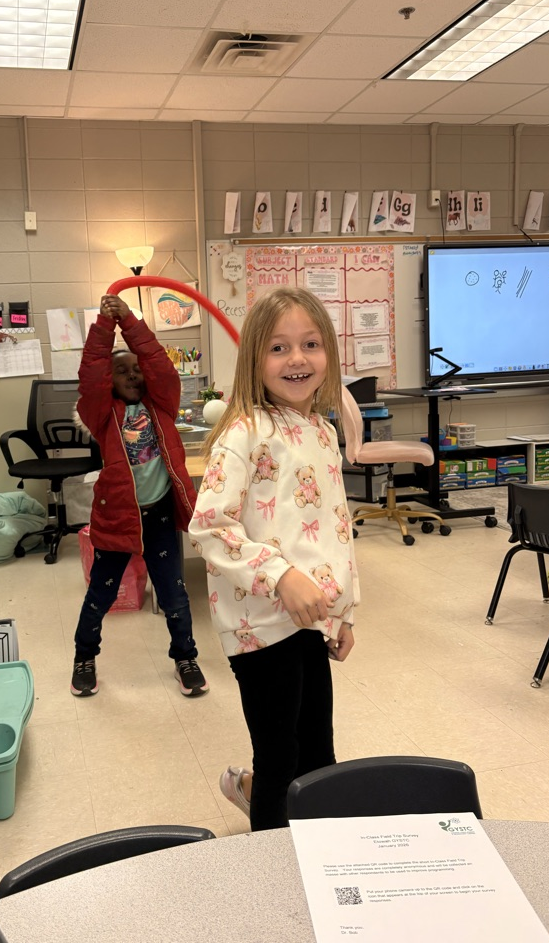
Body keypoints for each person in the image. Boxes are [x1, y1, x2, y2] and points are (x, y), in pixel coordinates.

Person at [189, 286, 357, 830]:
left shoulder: (323, 430)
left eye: (310, 344)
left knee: (319, 754)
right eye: (279, 348)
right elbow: (210, 527)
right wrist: (279, 574)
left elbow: (334, 530)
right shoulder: (244, 432)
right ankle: (273, 868)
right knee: (281, 760)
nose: (298, 359)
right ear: (255, 357)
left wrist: (343, 611)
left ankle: (319, 860)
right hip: (259, 625)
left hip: (309, 621)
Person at [71, 293, 209, 699]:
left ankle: (185, 657)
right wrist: (103, 325)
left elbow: (159, 365)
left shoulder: (161, 404)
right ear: (108, 381)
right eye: (121, 371)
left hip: (160, 517)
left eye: (136, 370)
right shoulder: (102, 413)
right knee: (101, 594)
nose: (132, 375)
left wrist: (129, 321)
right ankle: (84, 658)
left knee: (175, 595)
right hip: (117, 520)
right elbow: (90, 372)